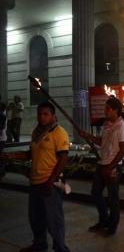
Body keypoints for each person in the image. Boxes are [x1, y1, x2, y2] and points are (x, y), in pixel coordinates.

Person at [14, 101, 70, 252]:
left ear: (53, 115)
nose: (42, 117)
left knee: (54, 220)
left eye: (46, 114)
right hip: (35, 181)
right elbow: (31, 154)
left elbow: (63, 158)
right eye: (40, 114)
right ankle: (39, 243)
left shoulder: (59, 133)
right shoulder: (36, 132)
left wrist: (50, 181)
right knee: (36, 217)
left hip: (49, 182)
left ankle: (60, 248)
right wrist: (12, 155)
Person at [80, 97, 124, 236]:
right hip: (102, 163)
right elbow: (102, 142)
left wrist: (111, 166)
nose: (105, 111)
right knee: (96, 193)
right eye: (105, 108)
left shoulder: (122, 127)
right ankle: (104, 220)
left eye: (107, 109)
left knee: (113, 197)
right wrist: (88, 136)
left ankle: (112, 226)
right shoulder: (107, 124)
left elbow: (123, 150)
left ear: (116, 110)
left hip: (113, 167)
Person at [0, 102, 7, 180]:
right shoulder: (2, 115)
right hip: (2, 138)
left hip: (1, 139)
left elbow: (1, 128)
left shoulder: (1, 115)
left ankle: (2, 172)